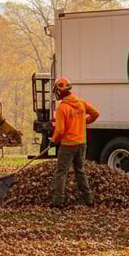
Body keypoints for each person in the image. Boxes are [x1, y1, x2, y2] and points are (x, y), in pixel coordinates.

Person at [50, 78, 99, 208]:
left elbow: (60, 130)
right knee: (80, 171)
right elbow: (95, 113)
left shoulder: (63, 108)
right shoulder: (80, 103)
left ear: (61, 91)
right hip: (82, 144)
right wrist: (84, 122)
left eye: (57, 91)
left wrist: (53, 141)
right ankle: (89, 200)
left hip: (68, 145)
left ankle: (58, 201)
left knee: (61, 172)